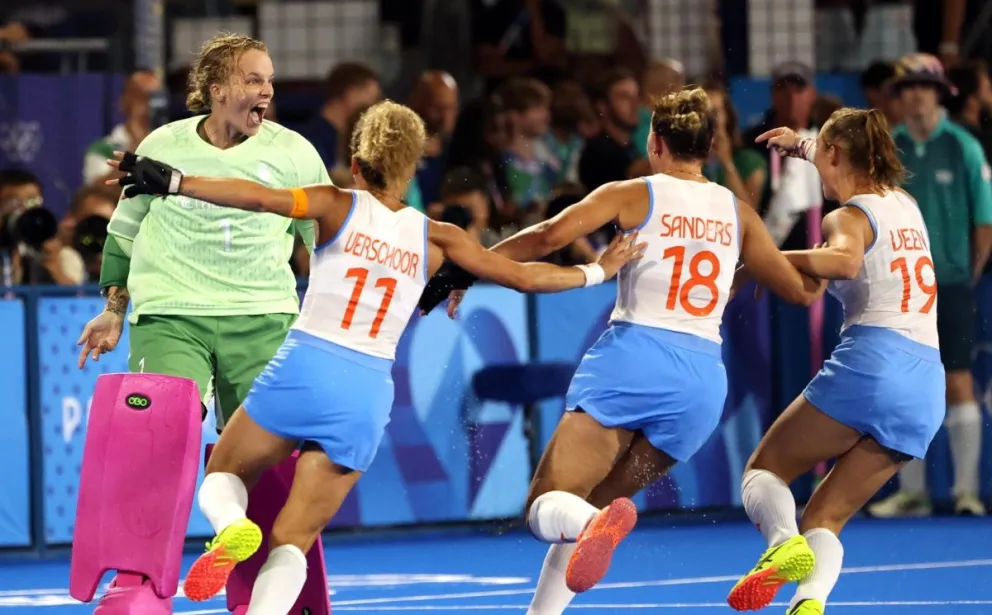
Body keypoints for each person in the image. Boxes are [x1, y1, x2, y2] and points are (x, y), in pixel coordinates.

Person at [104, 99, 646, 615]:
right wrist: (600, 269)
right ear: (414, 168)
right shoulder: (440, 237)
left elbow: (258, 197)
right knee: (294, 538)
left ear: (357, 165)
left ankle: (228, 528)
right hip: (365, 390)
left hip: (306, 365)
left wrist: (175, 181)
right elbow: (525, 276)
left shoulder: (333, 202)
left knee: (224, 473)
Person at [418, 87, 825, 614]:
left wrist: (468, 268)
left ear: (655, 142)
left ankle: (590, 525)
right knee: (591, 509)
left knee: (550, 505)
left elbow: (546, 237)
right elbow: (798, 290)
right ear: (707, 147)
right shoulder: (738, 213)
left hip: (635, 360)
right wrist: (835, 259)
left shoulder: (634, 193)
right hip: (702, 382)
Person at [74, 33, 328, 606]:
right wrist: (115, 310)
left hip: (263, 316)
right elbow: (122, 233)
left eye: (269, 81)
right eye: (252, 80)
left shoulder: (295, 154)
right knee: (155, 444)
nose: (265, 91)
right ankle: (138, 585)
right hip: (173, 314)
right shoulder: (162, 145)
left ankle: (260, 586)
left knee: (271, 458)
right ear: (217, 90)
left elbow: (324, 239)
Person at [728, 109, 944, 615]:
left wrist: (768, 259)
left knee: (764, 472)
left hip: (874, 363)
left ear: (835, 155)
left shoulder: (844, 217)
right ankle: (808, 603)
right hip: (924, 386)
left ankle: (781, 544)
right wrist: (801, 146)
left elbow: (843, 260)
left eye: (818, 151)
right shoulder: (905, 204)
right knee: (825, 515)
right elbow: (840, 159)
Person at [869, 53, 992, 518]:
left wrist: (967, 272)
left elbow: (985, 220)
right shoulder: (890, 148)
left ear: (940, 92)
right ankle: (914, 493)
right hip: (899, 291)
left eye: (924, 85)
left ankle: (965, 492)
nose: (915, 94)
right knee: (902, 386)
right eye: (907, 87)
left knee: (958, 381)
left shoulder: (964, 146)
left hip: (954, 285)